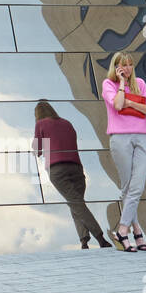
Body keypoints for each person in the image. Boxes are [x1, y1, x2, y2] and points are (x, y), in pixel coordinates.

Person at [32, 100, 110, 249]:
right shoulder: (67, 123)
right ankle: (84, 241)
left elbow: (37, 151)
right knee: (76, 203)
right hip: (76, 168)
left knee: (76, 204)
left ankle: (101, 239)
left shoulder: (40, 124)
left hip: (57, 169)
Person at [101, 53, 146, 251]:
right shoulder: (108, 84)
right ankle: (137, 229)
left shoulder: (140, 83)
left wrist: (132, 103)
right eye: (123, 66)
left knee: (137, 186)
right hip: (120, 138)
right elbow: (117, 105)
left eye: (130, 65)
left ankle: (122, 230)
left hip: (142, 137)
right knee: (127, 187)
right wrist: (123, 85)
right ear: (116, 67)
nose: (128, 69)